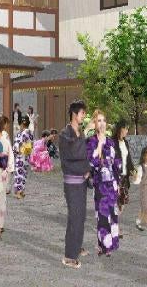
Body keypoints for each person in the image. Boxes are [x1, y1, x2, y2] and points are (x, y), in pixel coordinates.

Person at [59, 100, 90, 269]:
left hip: (82, 182)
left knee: (80, 216)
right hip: (72, 183)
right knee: (75, 218)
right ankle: (69, 256)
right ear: (74, 114)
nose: (84, 116)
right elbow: (75, 152)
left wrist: (88, 170)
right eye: (83, 113)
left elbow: (85, 154)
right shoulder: (66, 133)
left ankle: (76, 246)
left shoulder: (79, 132)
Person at [86, 109, 121, 256]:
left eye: (103, 120)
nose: (102, 123)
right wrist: (99, 146)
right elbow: (91, 162)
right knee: (102, 214)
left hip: (112, 183)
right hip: (100, 183)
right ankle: (104, 245)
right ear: (94, 124)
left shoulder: (111, 141)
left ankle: (109, 245)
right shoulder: (91, 141)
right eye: (98, 120)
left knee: (112, 214)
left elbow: (117, 163)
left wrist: (118, 183)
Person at [113, 119, 134, 232]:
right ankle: (115, 227)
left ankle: (114, 223)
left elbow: (128, 158)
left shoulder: (125, 142)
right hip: (116, 176)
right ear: (120, 128)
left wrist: (133, 170)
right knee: (116, 202)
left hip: (125, 177)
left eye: (127, 128)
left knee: (123, 202)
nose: (127, 130)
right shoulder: (112, 142)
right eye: (125, 128)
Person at [12, 114, 33, 199]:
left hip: (20, 156)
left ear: (22, 124)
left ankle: (19, 192)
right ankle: (22, 191)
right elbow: (31, 144)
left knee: (19, 174)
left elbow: (17, 145)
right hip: (27, 155)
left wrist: (14, 153)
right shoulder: (30, 132)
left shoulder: (22, 133)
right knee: (24, 173)